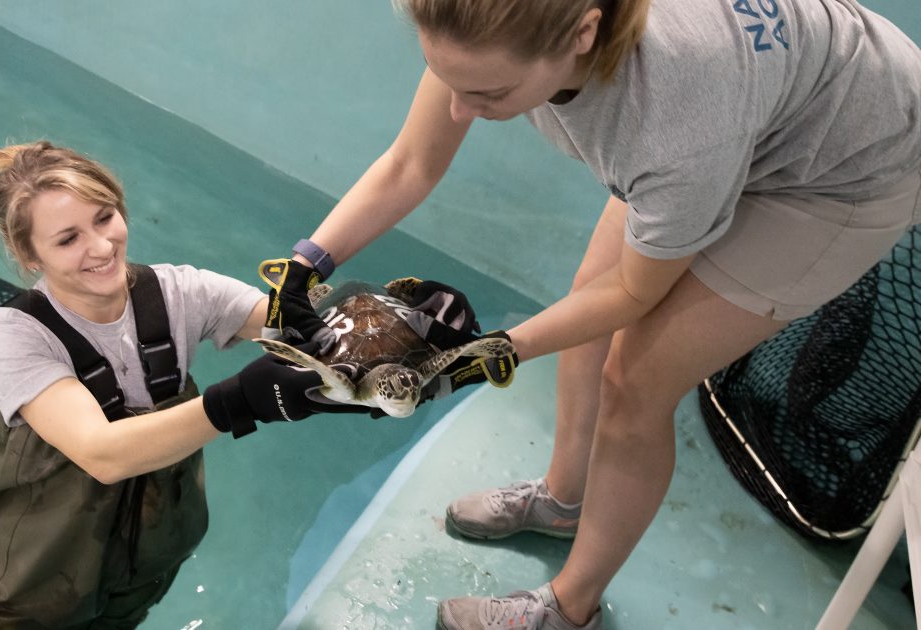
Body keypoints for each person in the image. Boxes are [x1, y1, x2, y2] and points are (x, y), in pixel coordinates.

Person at [264, 0, 921, 628]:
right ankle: (563, 499)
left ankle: (570, 609)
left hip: (844, 169)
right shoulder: (493, 28)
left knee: (635, 383)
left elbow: (633, 296)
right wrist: (304, 267)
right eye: (446, 76)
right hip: (757, 107)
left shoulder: (671, 120)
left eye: (490, 94)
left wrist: (475, 356)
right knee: (587, 295)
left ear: (582, 34)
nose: (461, 107)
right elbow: (410, 162)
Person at [0, 140, 375, 629]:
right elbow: (102, 453)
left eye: (104, 216)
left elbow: (295, 330)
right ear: (29, 254)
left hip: (149, 550)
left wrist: (374, 326)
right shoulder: (14, 339)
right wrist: (237, 402)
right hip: (38, 575)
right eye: (67, 239)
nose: (101, 246)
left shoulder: (179, 293)